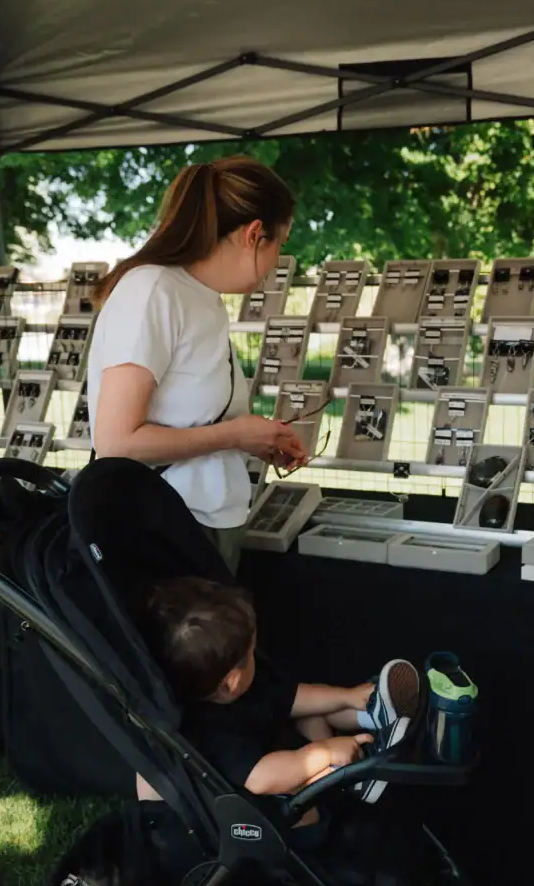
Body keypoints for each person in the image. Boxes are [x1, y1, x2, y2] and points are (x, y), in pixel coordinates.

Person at [88, 156, 309, 572]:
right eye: (283, 243)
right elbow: (117, 443)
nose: (279, 261)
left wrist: (251, 437)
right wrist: (235, 434)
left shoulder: (198, 296)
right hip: (163, 530)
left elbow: (192, 418)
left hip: (196, 523)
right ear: (254, 234)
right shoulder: (153, 291)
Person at [135, 576, 422, 843]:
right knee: (296, 797)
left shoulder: (227, 685)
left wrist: (347, 697)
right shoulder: (208, 732)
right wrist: (324, 752)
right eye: (250, 654)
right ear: (231, 683)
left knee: (309, 710)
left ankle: (370, 712)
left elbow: (293, 696)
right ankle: (352, 772)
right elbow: (263, 779)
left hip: (269, 745)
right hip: (256, 802)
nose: (255, 657)